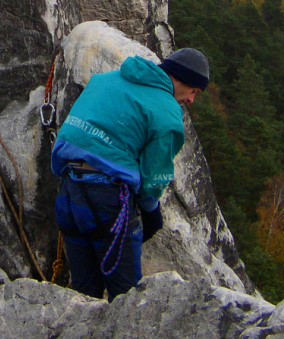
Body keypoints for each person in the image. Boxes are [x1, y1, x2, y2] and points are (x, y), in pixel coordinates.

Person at [51, 47, 209, 301]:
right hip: (108, 203)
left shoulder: (105, 80)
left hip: (68, 193)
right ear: (182, 78)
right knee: (126, 297)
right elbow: (154, 176)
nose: (191, 100)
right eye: (194, 91)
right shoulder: (167, 112)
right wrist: (151, 211)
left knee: (83, 290)